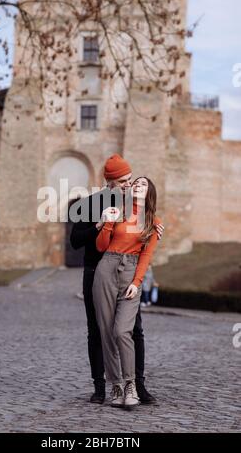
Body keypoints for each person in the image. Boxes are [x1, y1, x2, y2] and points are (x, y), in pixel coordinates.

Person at [70, 155, 164, 405]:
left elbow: (145, 227)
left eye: (130, 179)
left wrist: (154, 228)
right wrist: (100, 224)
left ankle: (139, 386)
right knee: (97, 330)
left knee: (134, 329)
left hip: (126, 273)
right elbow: (75, 240)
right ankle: (101, 387)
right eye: (122, 181)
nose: (127, 184)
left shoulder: (131, 203)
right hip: (95, 270)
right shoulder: (90, 204)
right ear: (109, 181)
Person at [92, 176, 161, 409]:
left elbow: (146, 256)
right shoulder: (118, 212)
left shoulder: (153, 222)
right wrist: (107, 223)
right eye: (135, 183)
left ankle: (131, 384)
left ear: (149, 192)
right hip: (106, 267)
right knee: (106, 331)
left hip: (131, 272)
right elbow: (100, 247)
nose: (138, 185)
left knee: (122, 330)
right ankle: (116, 385)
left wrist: (137, 281)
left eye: (143, 183)